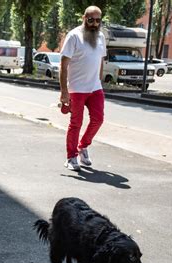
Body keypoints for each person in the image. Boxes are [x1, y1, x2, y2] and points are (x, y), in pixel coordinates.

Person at [59, 6, 107, 171]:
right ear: (84, 18)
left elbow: (100, 61)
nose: (94, 23)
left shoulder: (101, 36)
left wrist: (99, 81)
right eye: (91, 19)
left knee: (98, 119)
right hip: (77, 88)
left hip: (95, 88)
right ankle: (71, 157)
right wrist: (64, 92)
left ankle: (83, 146)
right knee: (76, 124)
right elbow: (63, 65)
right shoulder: (74, 36)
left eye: (98, 20)